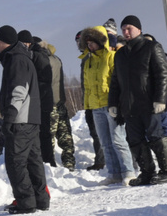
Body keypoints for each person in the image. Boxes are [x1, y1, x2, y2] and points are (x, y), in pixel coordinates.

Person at [108, 15, 167, 185]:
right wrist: (113, 103)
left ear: (139, 29)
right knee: (135, 140)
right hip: (130, 106)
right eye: (123, 29)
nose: (125, 31)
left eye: (129, 28)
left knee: (156, 135)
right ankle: (147, 173)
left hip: (150, 103)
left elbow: (163, 74)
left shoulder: (151, 47)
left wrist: (160, 99)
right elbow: (116, 81)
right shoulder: (120, 54)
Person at [0, 25, 49, 214]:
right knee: (33, 160)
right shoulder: (21, 57)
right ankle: (40, 199)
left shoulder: (16, 60)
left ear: (6, 42)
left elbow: (19, 90)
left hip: (21, 118)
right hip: (31, 117)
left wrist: (9, 117)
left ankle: (26, 202)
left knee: (15, 162)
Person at [80, 25, 135, 185]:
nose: (90, 45)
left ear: (100, 40)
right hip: (96, 107)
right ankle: (114, 173)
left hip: (112, 105)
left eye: (92, 42)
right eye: (87, 43)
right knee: (105, 142)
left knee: (118, 139)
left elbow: (119, 82)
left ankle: (128, 171)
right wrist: (88, 107)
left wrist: (118, 103)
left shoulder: (112, 57)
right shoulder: (88, 61)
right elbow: (87, 87)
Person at [19, 30, 56, 167]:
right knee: (39, 133)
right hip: (39, 99)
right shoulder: (33, 55)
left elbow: (45, 78)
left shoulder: (38, 55)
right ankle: (43, 160)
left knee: (44, 133)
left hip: (42, 99)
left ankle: (48, 161)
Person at [37, 38, 76, 170]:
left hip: (49, 104)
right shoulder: (56, 58)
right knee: (66, 136)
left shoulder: (39, 60)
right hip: (60, 102)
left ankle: (50, 166)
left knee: (49, 137)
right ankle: (69, 163)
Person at [76, 29, 105, 171]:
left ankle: (103, 161)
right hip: (89, 101)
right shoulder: (84, 58)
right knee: (95, 133)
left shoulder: (92, 56)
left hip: (99, 101)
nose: (78, 44)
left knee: (102, 133)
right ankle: (101, 160)